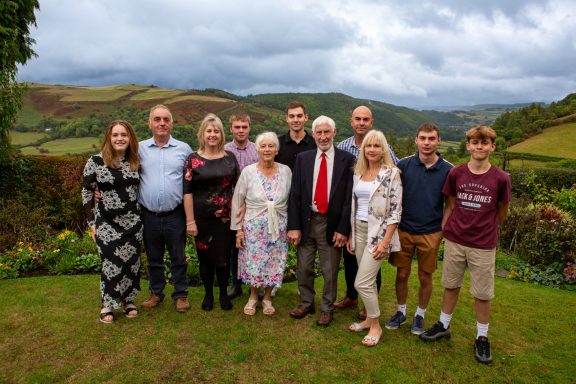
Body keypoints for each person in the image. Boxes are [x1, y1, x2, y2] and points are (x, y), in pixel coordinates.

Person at [419, 125, 511, 365]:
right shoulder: (457, 174)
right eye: (475, 142)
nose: (479, 147)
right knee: (450, 284)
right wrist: (447, 230)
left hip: (482, 244)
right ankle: (443, 325)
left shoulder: (501, 178)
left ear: (492, 146)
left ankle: (482, 336)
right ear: (468, 145)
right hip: (455, 240)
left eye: (485, 142)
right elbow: (450, 203)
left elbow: (502, 210)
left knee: (482, 292)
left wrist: (486, 228)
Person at [385, 122, 453, 335]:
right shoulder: (404, 165)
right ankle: (401, 311)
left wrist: (441, 232)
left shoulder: (449, 170)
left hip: (431, 232)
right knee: (402, 274)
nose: (426, 143)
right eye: (422, 138)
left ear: (438, 141)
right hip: (404, 229)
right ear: (416, 140)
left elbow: (450, 204)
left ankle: (420, 315)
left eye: (431, 138)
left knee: (425, 276)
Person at [287, 115, 355, 327]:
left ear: (334, 133)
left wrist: (343, 229)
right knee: (304, 267)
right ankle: (306, 302)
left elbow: (348, 199)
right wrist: (294, 226)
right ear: (313, 134)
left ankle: (327, 308)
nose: (323, 137)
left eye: (327, 132)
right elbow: (295, 194)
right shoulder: (304, 159)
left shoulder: (346, 160)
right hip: (308, 222)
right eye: (319, 132)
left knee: (330, 270)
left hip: (331, 224)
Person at [335, 105, 399, 320]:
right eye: (357, 119)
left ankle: (370, 313)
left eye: (365, 119)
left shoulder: (388, 161)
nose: (361, 123)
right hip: (355, 222)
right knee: (352, 264)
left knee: (370, 271)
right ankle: (353, 297)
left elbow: (393, 194)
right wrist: (348, 229)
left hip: (377, 226)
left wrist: (386, 239)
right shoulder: (343, 148)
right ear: (351, 121)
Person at [82, 120, 142, 323]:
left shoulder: (135, 161)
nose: (119, 138)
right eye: (115, 135)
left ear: (130, 138)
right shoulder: (95, 161)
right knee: (110, 263)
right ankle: (107, 304)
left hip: (133, 222)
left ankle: (128, 300)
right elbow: (86, 192)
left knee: (131, 264)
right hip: (106, 223)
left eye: (124, 135)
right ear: (109, 137)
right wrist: (91, 223)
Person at [346, 130, 402, 346]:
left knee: (362, 282)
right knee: (365, 280)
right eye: (368, 146)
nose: (371, 150)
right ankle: (369, 319)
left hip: (378, 234)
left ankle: (376, 326)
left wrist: (386, 242)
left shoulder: (392, 174)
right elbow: (355, 206)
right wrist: (352, 234)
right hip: (358, 231)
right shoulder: (358, 173)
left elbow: (396, 211)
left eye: (376, 146)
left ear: (383, 149)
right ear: (363, 149)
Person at [231, 132, 292, 316]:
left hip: (278, 228)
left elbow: (292, 199)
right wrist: (238, 230)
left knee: (274, 262)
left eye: (271, 146)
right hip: (253, 227)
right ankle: (253, 296)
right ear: (257, 149)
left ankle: (267, 298)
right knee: (253, 263)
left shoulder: (286, 171)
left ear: (277, 149)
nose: (267, 149)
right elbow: (237, 201)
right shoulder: (249, 172)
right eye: (263, 146)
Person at [139, 105, 193, 313]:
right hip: (149, 215)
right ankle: (156, 293)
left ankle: (180, 295)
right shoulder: (139, 148)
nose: (162, 123)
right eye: (157, 119)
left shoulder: (184, 149)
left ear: (172, 123)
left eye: (166, 119)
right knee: (154, 258)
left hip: (175, 214)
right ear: (150, 123)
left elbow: (192, 180)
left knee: (178, 257)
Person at [183, 113, 240, 311]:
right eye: (209, 131)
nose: (213, 134)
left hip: (226, 219)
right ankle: (208, 294)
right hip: (202, 219)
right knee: (205, 258)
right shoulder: (193, 159)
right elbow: (187, 192)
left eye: (216, 131)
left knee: (224, 258)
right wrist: (190, 221)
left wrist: (240, 219)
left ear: (222, 134)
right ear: (202, 134)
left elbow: (238, 189)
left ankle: (224, 294)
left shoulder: (230, 158)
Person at [224, 113, 259, 300]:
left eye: (244, 127)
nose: (240, 130)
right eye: (237, 127)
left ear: (249, 128)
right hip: (231, 207)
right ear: (231, 128)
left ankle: (255, 284)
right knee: (234, 249)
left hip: (254, 207)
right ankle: (235, 284)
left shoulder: (257, 150)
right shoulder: (224, 150)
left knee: (255, 247)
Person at [275, 101, 317, 170]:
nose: (295, 120)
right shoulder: (277, 143)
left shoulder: (315, 144)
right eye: (291, 116)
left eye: (299, 116)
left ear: (306, 117)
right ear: (287, 118)